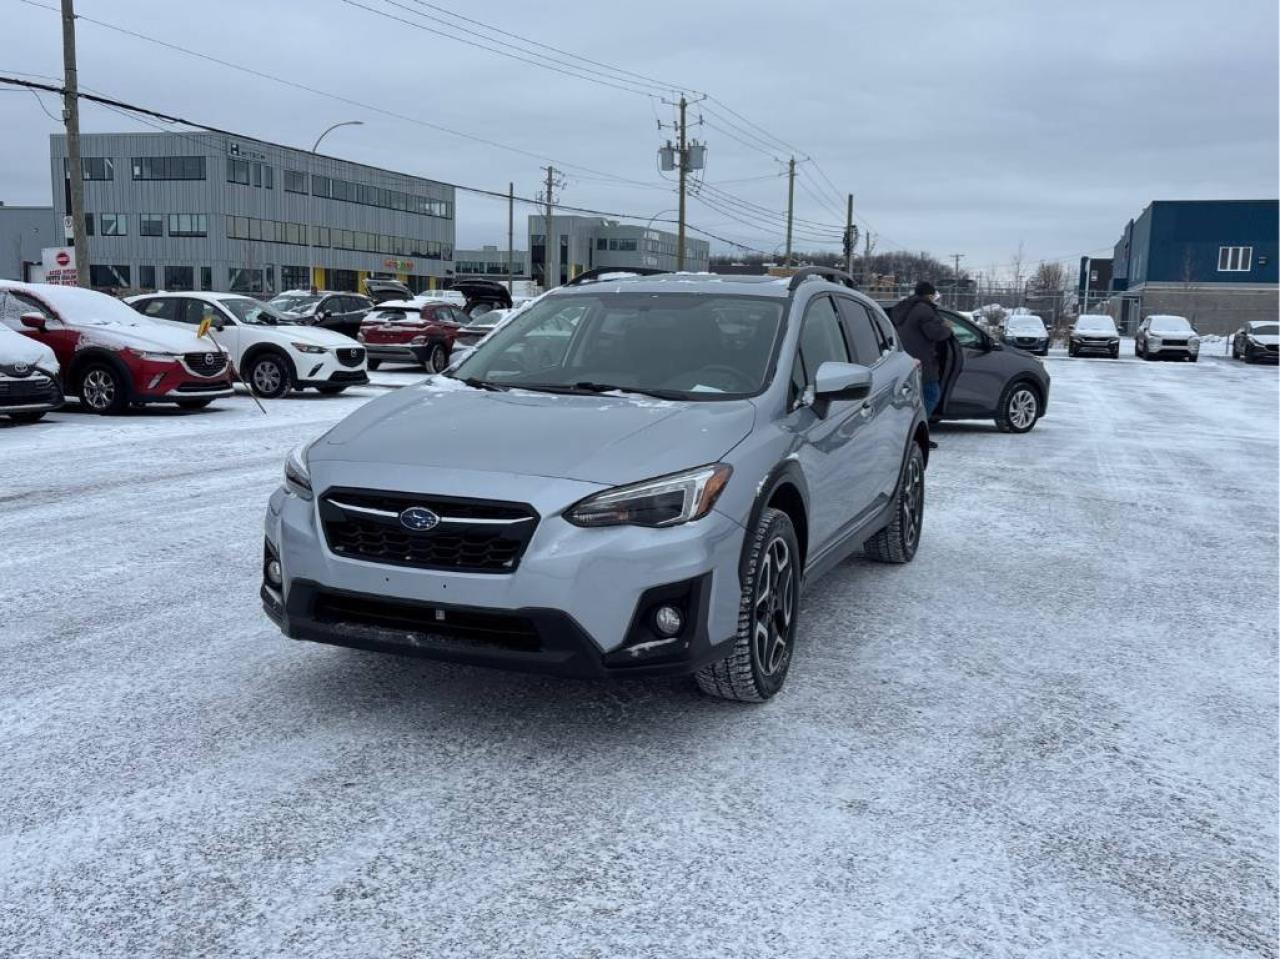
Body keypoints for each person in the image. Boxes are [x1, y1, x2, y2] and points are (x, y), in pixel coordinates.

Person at [892, 281, 953, 446]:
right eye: (933, 295)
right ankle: (917, 434)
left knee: (916, 397)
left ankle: (912, 433)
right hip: (922, 360)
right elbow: (935, 333)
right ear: (928, 295)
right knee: (932, 394)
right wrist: (947, 327)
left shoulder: (906, 307)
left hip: (906, 357)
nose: (935, 298)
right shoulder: (924, 310)